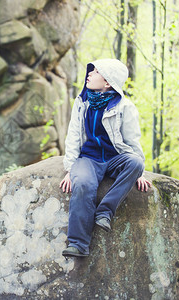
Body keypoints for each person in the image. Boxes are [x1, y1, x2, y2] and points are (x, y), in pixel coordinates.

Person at [59, 58, 151, 258]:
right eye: (89, 71)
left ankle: (105, 212)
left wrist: (139, 172)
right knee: (82, 184)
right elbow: (73, 136)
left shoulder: (125, 107)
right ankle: (78, 244)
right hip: (88, 159)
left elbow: (132, 141)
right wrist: (70, 169)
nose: (89, 75)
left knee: (135, 163)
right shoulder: (82, 102)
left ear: (107, 82)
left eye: (95, 72)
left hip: (114, 159)